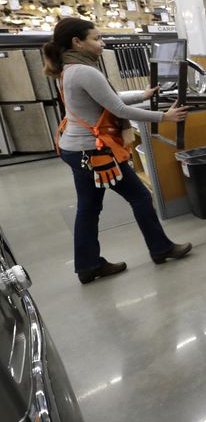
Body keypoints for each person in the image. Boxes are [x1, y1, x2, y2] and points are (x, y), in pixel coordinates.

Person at [43, 18, 192, 284]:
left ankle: (88, 266)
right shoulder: (86, 72)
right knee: (139, 197)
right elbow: (118, 110)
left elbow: (105, 99)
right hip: (95, 151)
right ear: (77, 42)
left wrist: (142, 96)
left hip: (75, 149)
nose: (102, 44)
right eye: (96, 38)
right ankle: (161, 248)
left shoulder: (69, 69)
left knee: (88, 207)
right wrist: (164, 117)